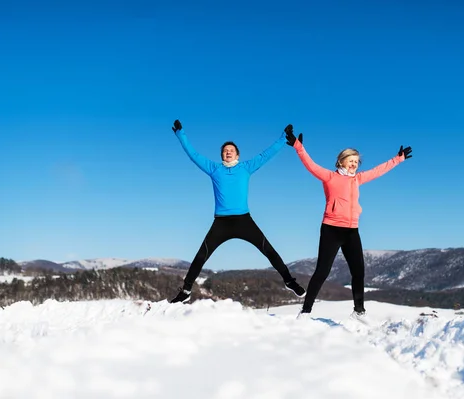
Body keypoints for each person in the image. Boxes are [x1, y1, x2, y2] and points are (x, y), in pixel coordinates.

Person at [169, 119, 306, 303]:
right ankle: (186, 291)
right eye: (225, 151)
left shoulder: (246, 168)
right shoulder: (214, 169)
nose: (228, 152)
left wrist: (283, 138)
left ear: (237, 155)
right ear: (222, 155)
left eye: (231, 150)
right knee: (201, 256)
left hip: (244, 220)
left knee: (268, 250)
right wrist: (181, 134)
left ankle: (289, 281)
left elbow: (266, 155)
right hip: (221, 222)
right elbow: (193, 154)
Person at [284, 129, 412, 322]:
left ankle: (359, 310)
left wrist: (398, 159)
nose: (354, 164)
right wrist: (298, 147)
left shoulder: (357, 179)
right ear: (341, 161)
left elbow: (378, 171)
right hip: (331, 229)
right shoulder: (329, 177)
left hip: (352, 230)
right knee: (322, 271)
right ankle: (306, 311)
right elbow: (310, 165)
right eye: (350, 160)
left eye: (356, 161)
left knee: (358, 270)